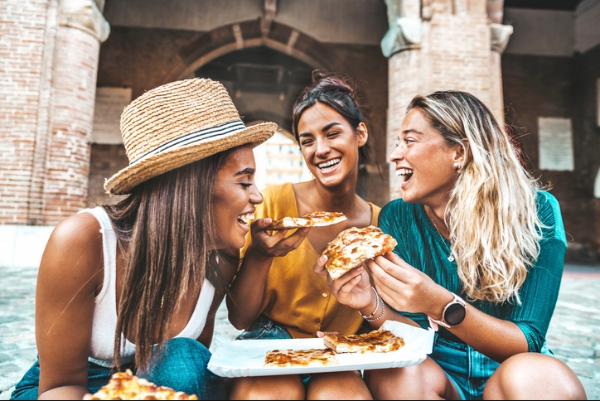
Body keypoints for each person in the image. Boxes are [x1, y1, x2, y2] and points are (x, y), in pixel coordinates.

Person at [10, 79, 277, 400]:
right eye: (245, 181)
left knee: (184, 359)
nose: (258, 196)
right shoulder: (84, 240)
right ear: (192, 186)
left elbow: (185, 379)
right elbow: (58, 387)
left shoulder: (219, 259)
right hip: (71, 390)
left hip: (161, 386)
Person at [317, 91, 587, 400]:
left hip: (509, 367)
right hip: (437, 368)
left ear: (458, 153)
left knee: (539, 379)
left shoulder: (538, 211)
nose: (394, 155)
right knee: (395, 372)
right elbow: (412, 337)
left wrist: (440, 304)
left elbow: (528, 340)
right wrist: (369, 303)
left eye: (410, 141)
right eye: (397, 142)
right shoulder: (397, 218)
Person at [227, 73, 378, 400]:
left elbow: (389, 320)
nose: (320, 150)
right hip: (270, 339)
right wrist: (260, 255)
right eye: (307, 140)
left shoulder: (381, 226)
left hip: (340, 355)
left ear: (360, 134)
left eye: (332, 133)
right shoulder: (273, 206)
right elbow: (239, 319)